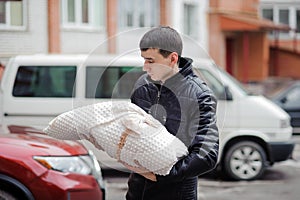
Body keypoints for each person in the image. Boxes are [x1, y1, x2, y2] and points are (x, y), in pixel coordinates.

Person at [126, 26, 219, 200]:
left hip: (176, 194)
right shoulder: (142, 86)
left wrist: (161, 176)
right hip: (137, 192)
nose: (145, 67)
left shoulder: (200, 95)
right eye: (144, 60)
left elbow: (207, 154)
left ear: (172, 58)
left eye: (151, 61)